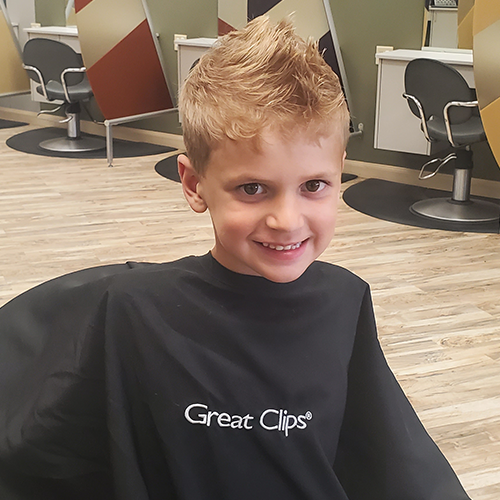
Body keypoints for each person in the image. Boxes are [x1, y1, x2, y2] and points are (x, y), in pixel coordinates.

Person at [0, 16, 471, 500]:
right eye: (253, 188)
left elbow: (387, 459)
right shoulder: (130, 309)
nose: (287, 220)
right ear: (193, 184)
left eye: (314, 186)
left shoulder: (345, 301)